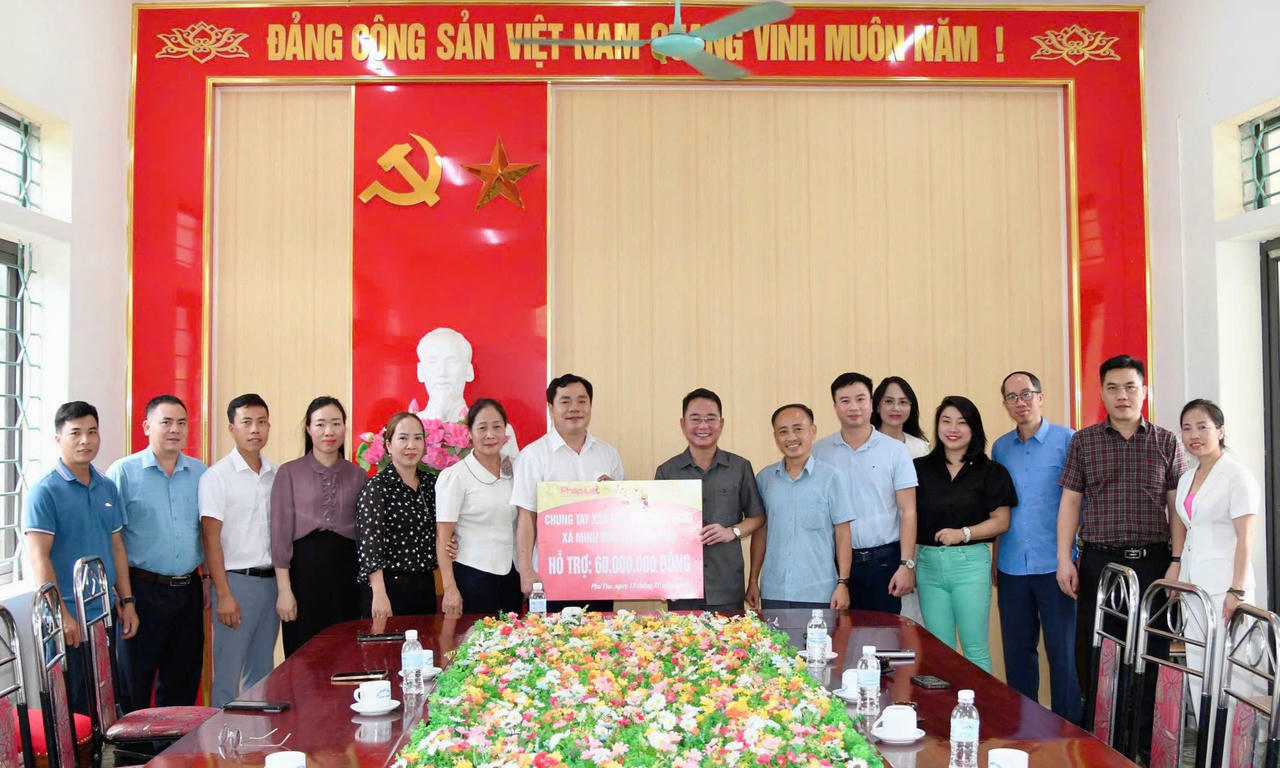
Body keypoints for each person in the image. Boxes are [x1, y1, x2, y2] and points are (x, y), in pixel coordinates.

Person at [1056, 354, 1186, 757]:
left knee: (1152, 654)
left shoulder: (1166, 441)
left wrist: (1177, 561)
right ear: (1101, 393)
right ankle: (1100, 743)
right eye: (1113, 388)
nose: (1122, 395)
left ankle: (1143, 746)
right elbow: (1070, 502)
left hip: (1154, 564)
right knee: (1098, 655)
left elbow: (1177, 508)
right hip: (1100, 563)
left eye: (1130, 387)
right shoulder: (1084, 441)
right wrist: (1064, 558)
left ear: (1144, 391)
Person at [24, 401, 138, 714]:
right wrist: (61, 615)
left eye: (92, 432)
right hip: (67, 616)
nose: (85, 440)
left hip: (103, 612)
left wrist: (127, 601)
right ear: (58, 438)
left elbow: (116, 546)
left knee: (103, 698)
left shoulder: (106, 487)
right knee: (72, 707)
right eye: (75, 433)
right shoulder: (45, 491)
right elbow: (39, 557)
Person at [991, 372, 1082, 721]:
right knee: (1017, 654)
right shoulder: (1000, 448)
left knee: (1063, 654)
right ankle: (1024, 729)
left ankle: (1069, 731)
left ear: (1041, 397)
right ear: (1005, 404)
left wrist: (1074, 556)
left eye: (1027, 394)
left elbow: (1080, 502)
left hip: (1057, 565)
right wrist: (996, 559)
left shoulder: (1068, 440)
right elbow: (999, 507)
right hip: (1012, 565)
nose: (1020, 402)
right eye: (1012, 397)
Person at [106, 394, 206, 711]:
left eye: (181, 423)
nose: (175, 429)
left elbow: (206, 531)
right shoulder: (123, 472)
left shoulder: (200, 473)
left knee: (182, 684)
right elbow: (113, 540)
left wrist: (207, 581)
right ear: (147, 426)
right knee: (134, 684)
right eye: (166, 422)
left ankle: (175, 744)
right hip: (142, 592)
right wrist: (125, 599)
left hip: (188, 591)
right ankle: (132, 745)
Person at [913, 395, 1014, 672]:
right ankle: (945, 702)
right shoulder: (919, 468)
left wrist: (963, 533)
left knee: (974, 648)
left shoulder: (991, 471)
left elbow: (1002, 521)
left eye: (962, 422)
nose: (953, 429)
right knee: (939, 649)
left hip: (970, 565)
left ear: (974, 428)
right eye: (946, 421)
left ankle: (979, 702)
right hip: (928, 566)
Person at [1172, 399, 1259, 709]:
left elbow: (1246, 537)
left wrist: (1237, 590)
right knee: (1199, 665)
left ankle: (1233, 738)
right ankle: (1206, 735)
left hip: (1226, 587)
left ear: (1220, 431)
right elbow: (1189, 528)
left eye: (1202, 427)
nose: (1194, 435)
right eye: (1187, 428)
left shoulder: (1237, 476)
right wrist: (1177, 568)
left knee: (1231, 670)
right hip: (1193, 586)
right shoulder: (1187, 477)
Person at [512, 374, 624, 612]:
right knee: (547, 635)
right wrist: (526, 570)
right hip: (549, 578)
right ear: (551, 408)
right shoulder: (533, 456)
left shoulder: (608, 454)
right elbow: (525, 517)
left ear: (590, 406)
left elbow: (619, 517)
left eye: (582, 401)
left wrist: (616, 496)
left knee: (600, 634)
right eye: (565, 401)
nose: (574, 408)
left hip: (599, 575)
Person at [270, 396, 368, 656]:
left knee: (345, 653)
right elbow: (279, 535)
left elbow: (367, 535)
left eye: (336, 423)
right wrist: (284, 591)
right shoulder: (288, 473)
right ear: (308, 429)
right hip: (303, 577)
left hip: (347, 577)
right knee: (303, 656)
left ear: (344, 427)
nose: (329, 431)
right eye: (321, 424)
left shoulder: (358, 475)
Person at [814, 372, 918, 614]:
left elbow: (908, 511)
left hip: (884, 562)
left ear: (872, 403)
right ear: (835, 406)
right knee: (839, 633)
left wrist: (907, 564)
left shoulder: (895, 451)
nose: (854, 407)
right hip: (835, 564)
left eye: (860, 399)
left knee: (885, 633)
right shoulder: (819, 452)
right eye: (845, 401)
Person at [199, 394, 279, 707]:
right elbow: (210, 539)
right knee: (228, 672)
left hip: (271, 583)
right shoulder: (216, 477)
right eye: (246, 422)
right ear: (232, 428)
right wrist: (224, 594)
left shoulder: (276, 474)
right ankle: (221, 737)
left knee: (262, 671)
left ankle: (256, 735)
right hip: (234, 583)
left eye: (261, 422)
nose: (255, 429)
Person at [655, 388, 765, 612]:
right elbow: (657, 529)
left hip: (727, 585)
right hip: (681, 586)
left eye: (710, 418)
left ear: (721, 423)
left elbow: (758, 517)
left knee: (732, 636)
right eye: (695, 419)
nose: (703, 426)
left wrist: (732, 531)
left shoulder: (739, 467)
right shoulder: (667, 471)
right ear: (683, 424)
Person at [748, 404, 854, 610]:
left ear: (813, 431)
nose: (791, 437)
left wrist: (843, 583)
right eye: (783, 431)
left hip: (819, 592)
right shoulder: (765, 479)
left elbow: (843, 533)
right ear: (775, 437)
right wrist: (753, 580)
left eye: (798, 429)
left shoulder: (831, 478)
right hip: (774, 591)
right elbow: (760, 532)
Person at [435, 399, 522, 616]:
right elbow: (443, 537)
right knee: (476, 636)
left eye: (497, 427)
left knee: (512, 635)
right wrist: (450, 588)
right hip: (473, 576)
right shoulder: (455, 476)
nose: (490, 435)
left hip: (512, 574)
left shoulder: (517, 468)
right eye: (482, 428)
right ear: (470, 433)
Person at [356, 412, 437, 617]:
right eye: (403, 438)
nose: (411, 445)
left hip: (426, 585)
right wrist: (379, 594)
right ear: (389, 445)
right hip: (388, 588)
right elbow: (370, 547)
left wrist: (451, 542)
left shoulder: (431, 484)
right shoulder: (376, 488)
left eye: (417, 438)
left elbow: (441, 530)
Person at [413, 327, 517, 460]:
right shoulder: (404, 433)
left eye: (451, 361)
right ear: (420, 371)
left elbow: (510, 473)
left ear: (469, 371)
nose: (442, 372)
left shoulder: (499, 433)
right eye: (432, 362)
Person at [872, 376, 931, 459]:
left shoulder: (921, 449)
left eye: (903, 402)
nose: (896, 408)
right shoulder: (864, 444)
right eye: (889, 401)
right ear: (878, 406)